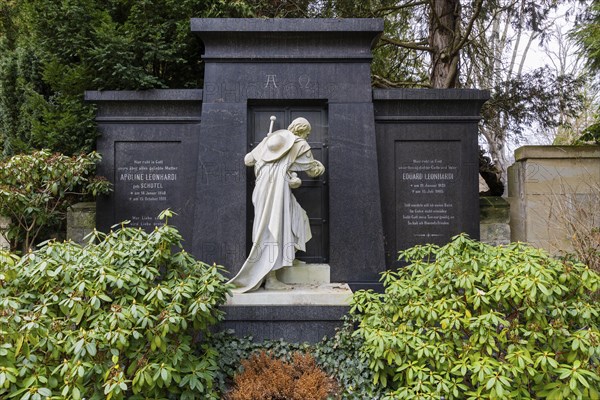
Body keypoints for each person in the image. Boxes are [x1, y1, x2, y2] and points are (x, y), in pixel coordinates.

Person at [228, 117, 325, 293]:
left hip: (264, 189)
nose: (308, 137)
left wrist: (265, 144)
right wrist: (320, 167)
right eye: (308, 133)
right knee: (273, 228)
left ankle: (287, 255)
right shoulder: (300, 144)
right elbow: (313, 170)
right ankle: (271, 278)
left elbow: (248, 160)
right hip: (275, 190)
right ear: (302, 131)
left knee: (294, 219)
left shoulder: (271, 141)